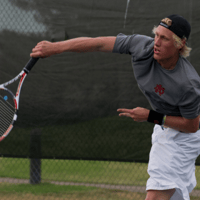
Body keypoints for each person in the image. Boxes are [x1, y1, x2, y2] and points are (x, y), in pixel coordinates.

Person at [30, 14, 200, 200]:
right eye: (156, 35)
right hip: (164, 129)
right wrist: (56, 47)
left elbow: (192, 126)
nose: (156, 42)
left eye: (164, 38)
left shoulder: (188, 84)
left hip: (186, 137)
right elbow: (98, 43)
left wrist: (151, 116)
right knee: (171, 194)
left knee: (156, 194)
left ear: (180, 44)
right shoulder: (141, 45)